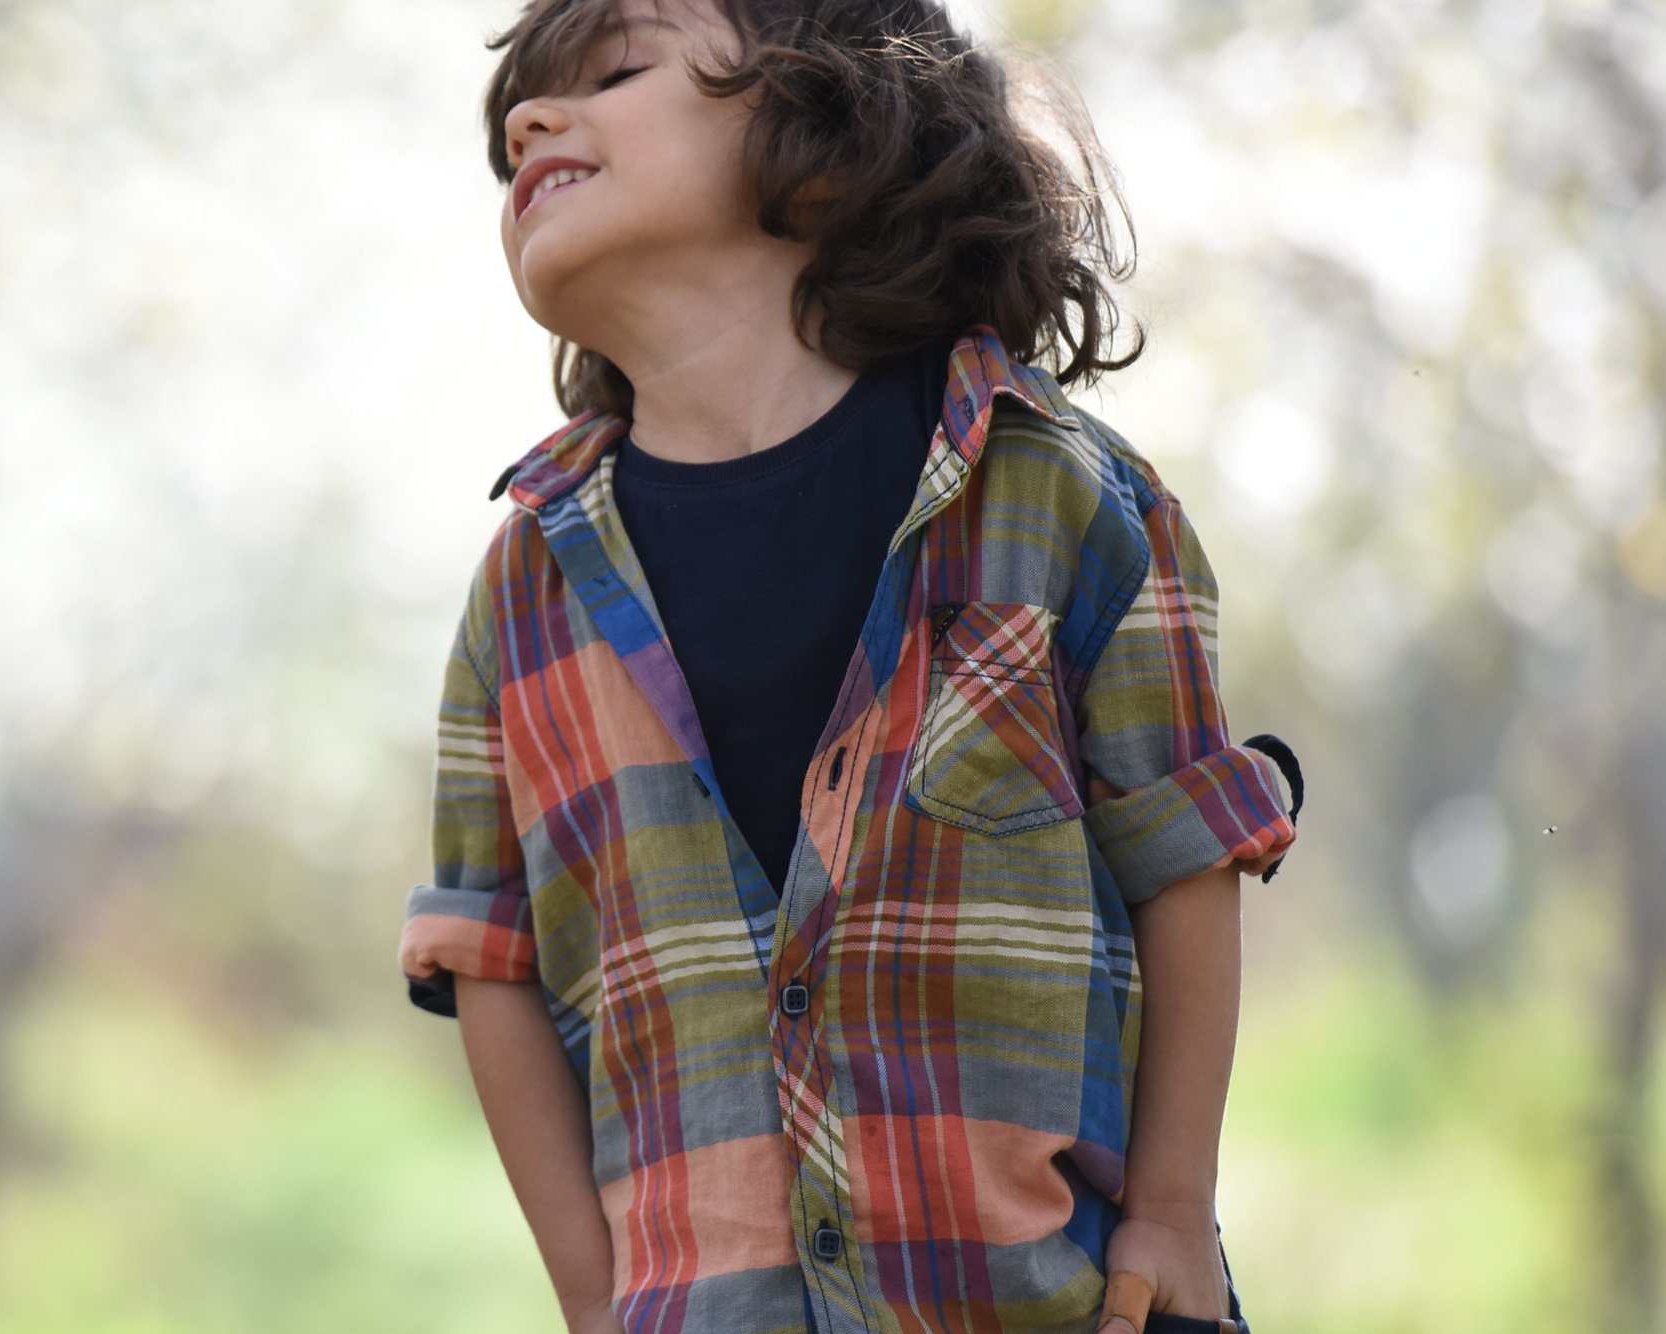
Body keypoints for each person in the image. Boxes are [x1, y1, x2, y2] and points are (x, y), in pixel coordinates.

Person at [397, 2, 1306, 1331]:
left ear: (826, 132)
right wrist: (595, 1302)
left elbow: (1186, 849)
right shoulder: (522, 594)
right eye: (516, 124)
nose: (532, 122)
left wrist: (1171, 1208)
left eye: (616, 70)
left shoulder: (1059, 499)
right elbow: (491, 961)